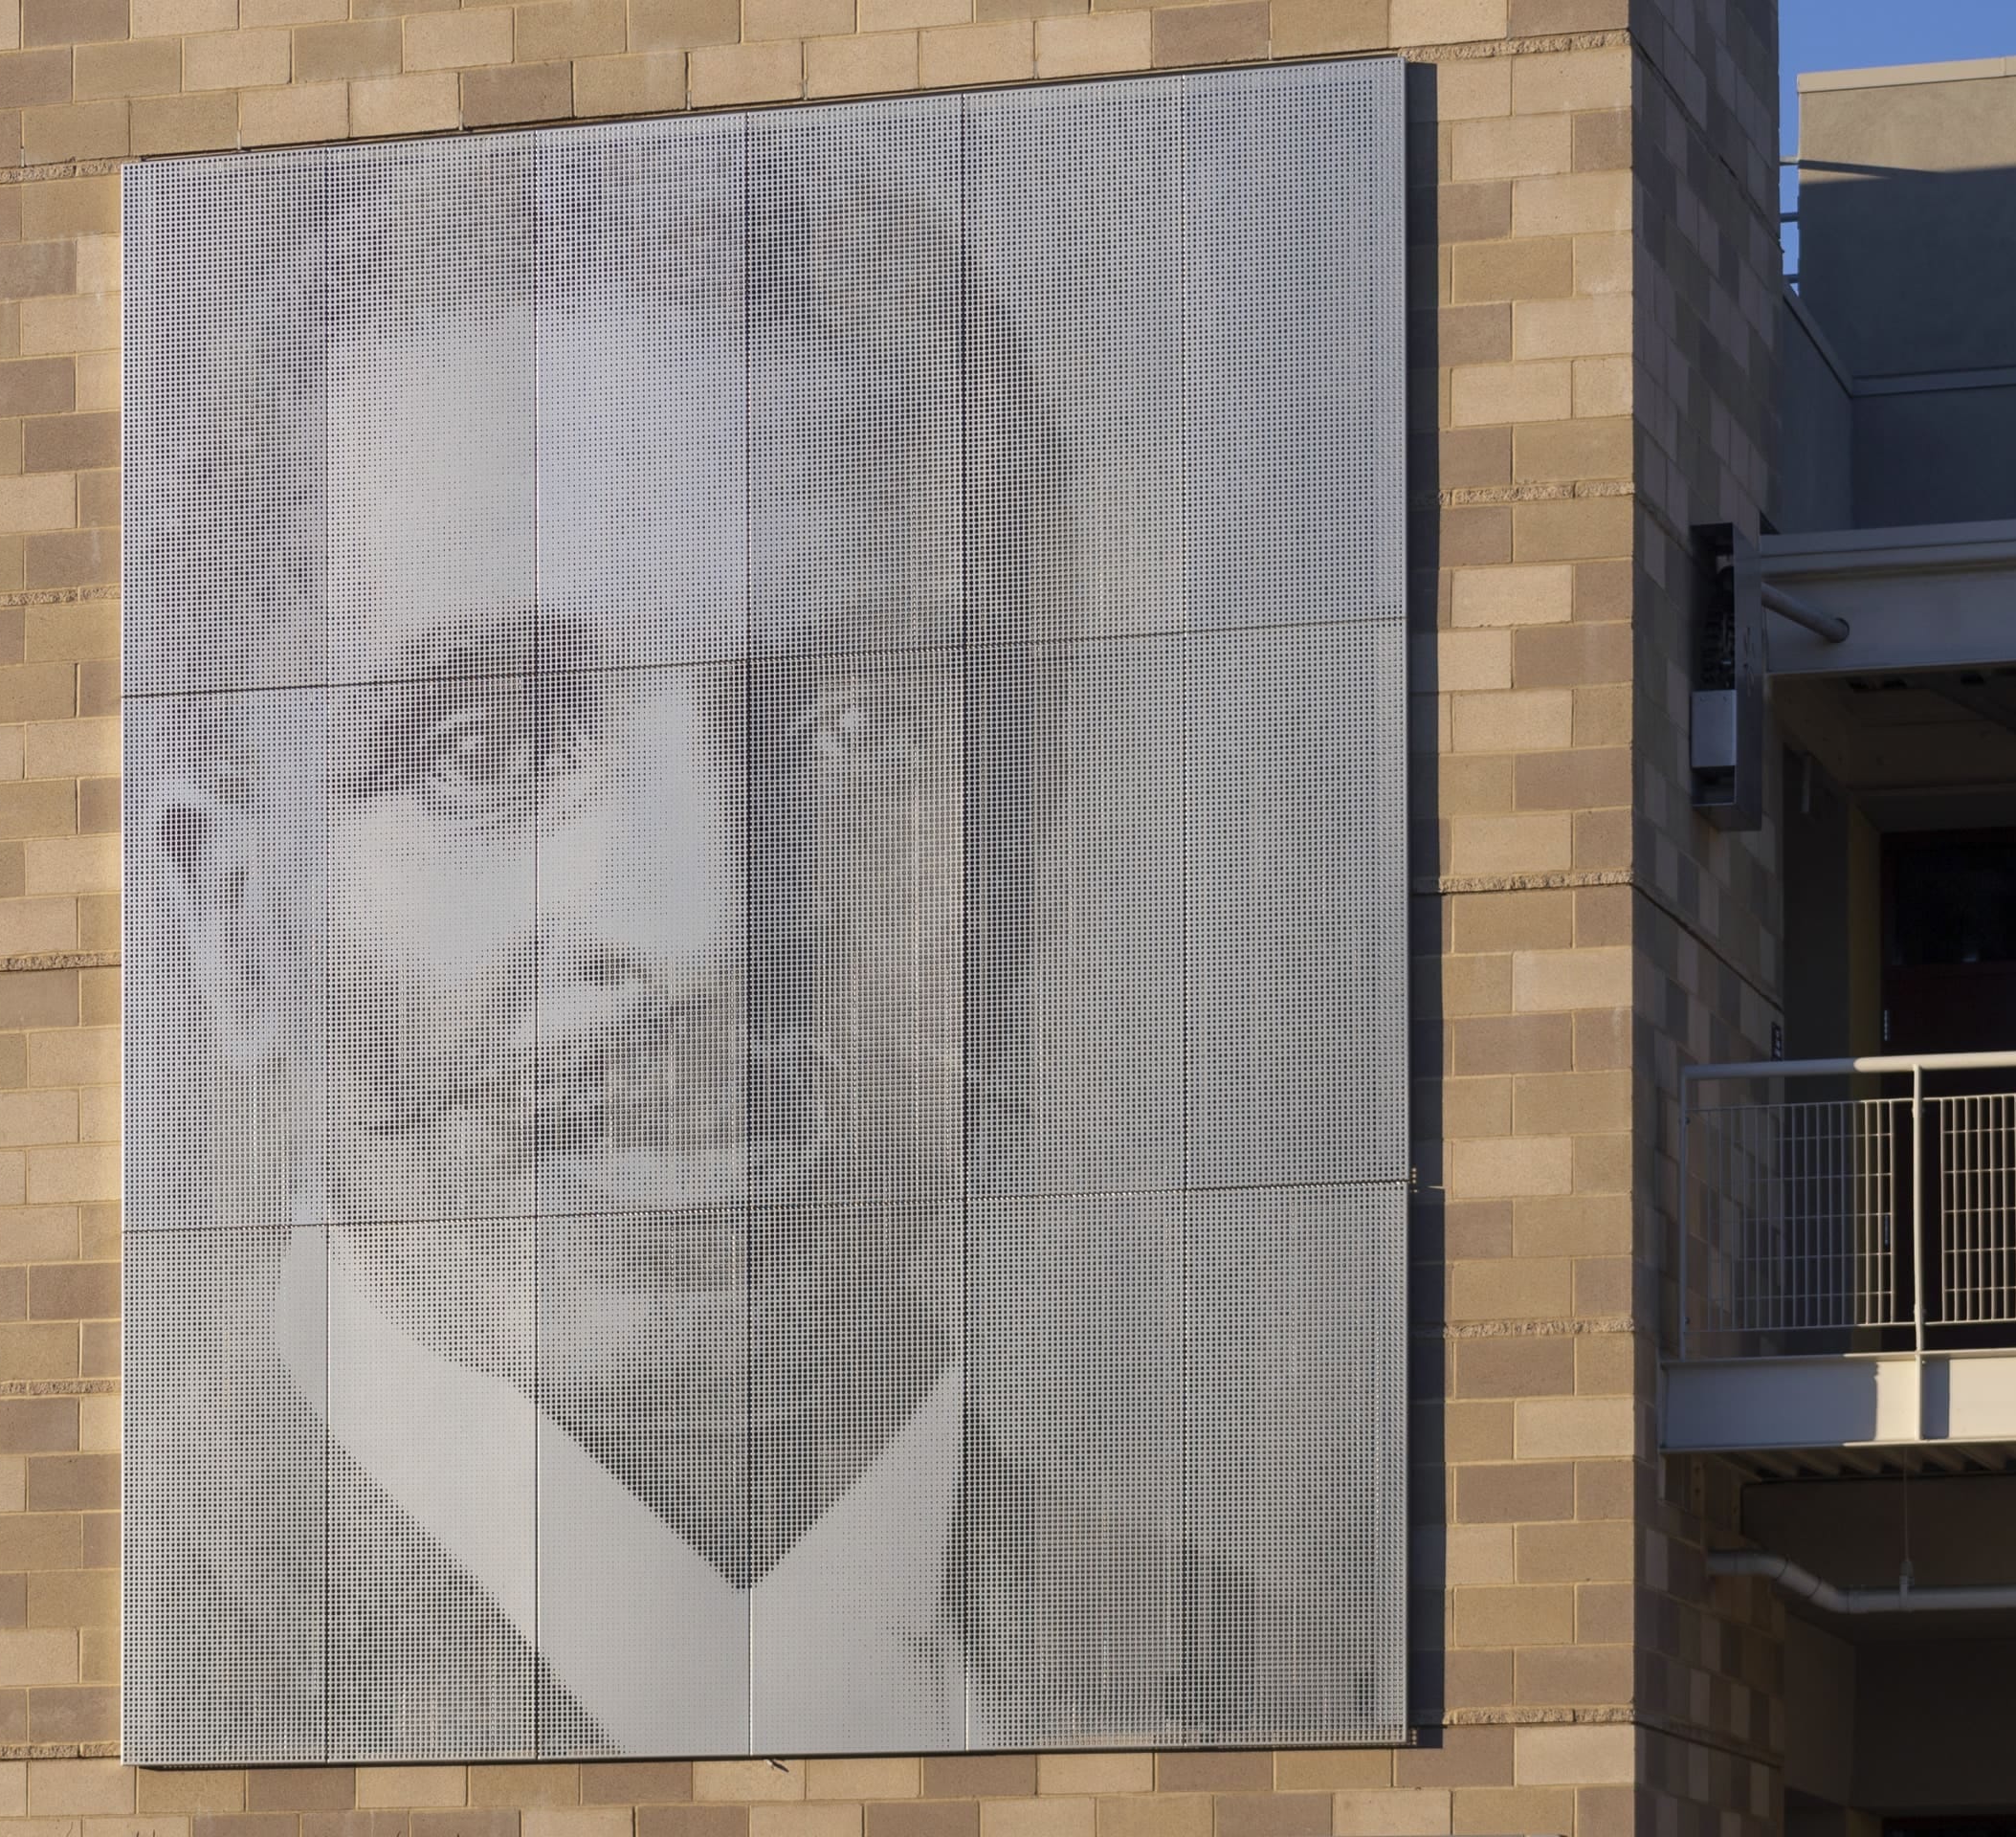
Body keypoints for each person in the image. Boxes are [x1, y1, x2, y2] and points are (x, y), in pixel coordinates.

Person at [123, 74, 1401, 1766]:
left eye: (860, 729)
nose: (703, 922)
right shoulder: (127, 1654)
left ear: (1025, 846)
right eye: (483, 745)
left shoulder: (1291, 1691)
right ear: (239, 925)